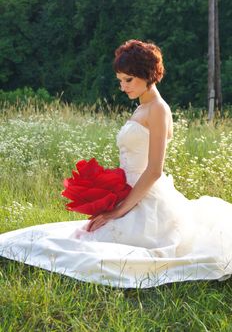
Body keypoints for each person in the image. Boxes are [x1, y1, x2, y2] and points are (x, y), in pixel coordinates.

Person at [0, 39, 232, 289]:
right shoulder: (142, 107)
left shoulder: (158, 110)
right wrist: (109, 189)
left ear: (147, 74)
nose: (123, 87)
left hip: (145, 197)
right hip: (128, 189)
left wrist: (120, 210)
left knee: (95, 248)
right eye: (120, 80)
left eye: (128, 80)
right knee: (82, 237)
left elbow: (154, 170)